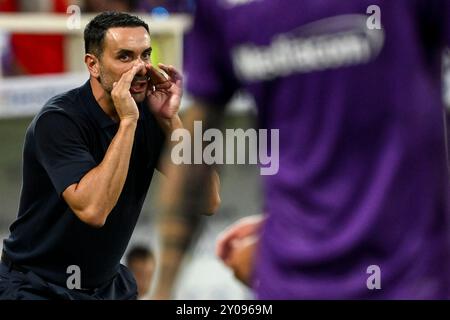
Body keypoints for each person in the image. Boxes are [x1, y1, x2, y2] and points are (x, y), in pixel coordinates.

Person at [159, 0, 450, 299]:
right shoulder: (223, 8)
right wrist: (164, 288)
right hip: (288, 280)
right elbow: (196, 143)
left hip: (405, 278)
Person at [0, 11, 220, 300]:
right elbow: (93, 210)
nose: (141, 68)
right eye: (125, 57)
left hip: (106, 286)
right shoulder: (58, 120)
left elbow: (208, 201)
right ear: (93, 64)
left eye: (145, 55)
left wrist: (170, 120)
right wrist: (128, 122)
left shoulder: (152, 115)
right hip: (37, 286)